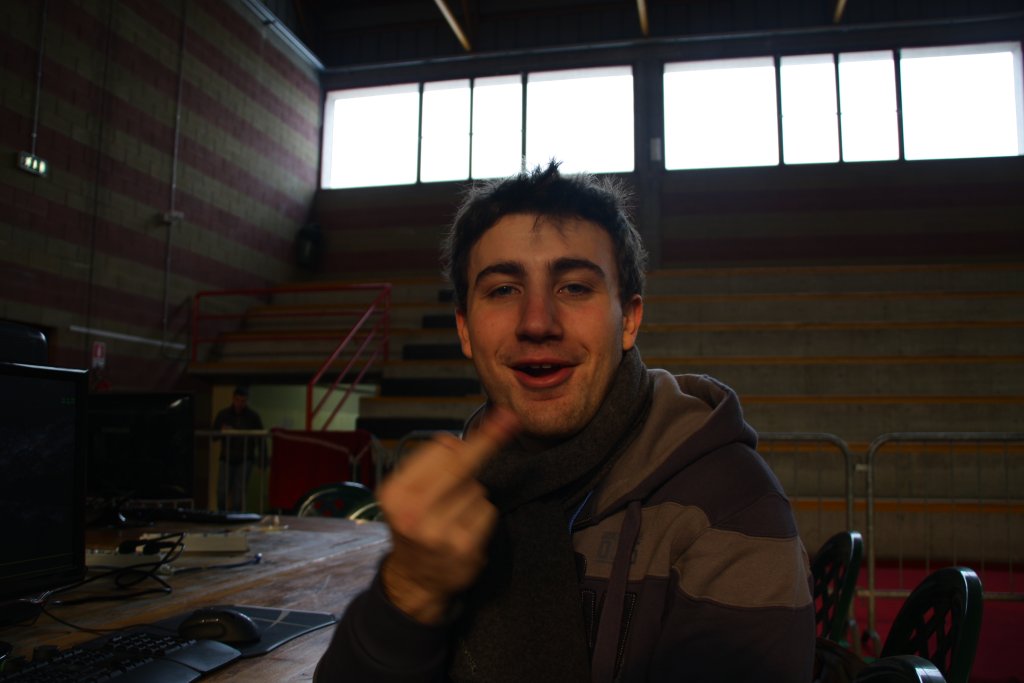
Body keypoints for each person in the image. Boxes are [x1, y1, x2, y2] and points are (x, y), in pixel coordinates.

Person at [314, 162, 815, 682]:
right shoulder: (448, 508)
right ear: (464, 330)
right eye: (503, 290)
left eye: (574, 287)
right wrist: (409, 591)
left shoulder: (728, 507)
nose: (537, 322)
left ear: (629, 320)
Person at [213, 385, 263, 511]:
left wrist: (262, 460)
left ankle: (235, 516)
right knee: (222, 491)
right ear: (233, 399)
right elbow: (214, 435)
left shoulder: (253, 417)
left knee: (239, 493)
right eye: (238, 400)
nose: (240, 404)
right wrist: (221, 431)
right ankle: (221, 514)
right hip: (227, 457)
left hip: (245, 458)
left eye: (243, 401)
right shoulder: (224, 414)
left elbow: (261, 439)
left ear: (247, 401)